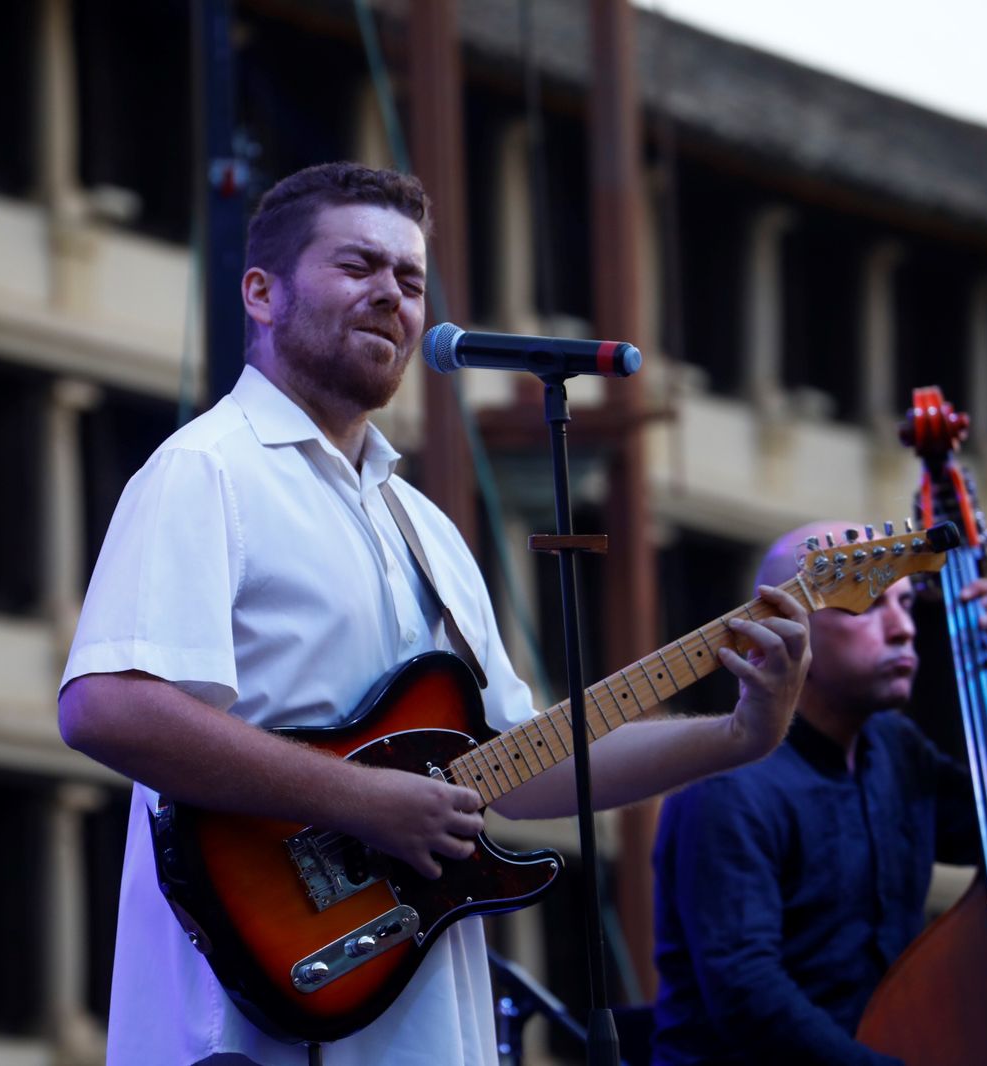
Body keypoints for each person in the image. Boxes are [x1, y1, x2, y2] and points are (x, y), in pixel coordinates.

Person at [57, 162, 813, 1066]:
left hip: (414, 1015)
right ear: (261, 292)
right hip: (252, 1020)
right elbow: (107, 705)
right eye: (359, 267)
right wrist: (363, 801)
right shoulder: (207, 470)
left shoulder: (426, 527)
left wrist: (740, 736)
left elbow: (520, 765)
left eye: (410, 280)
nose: (392, 295)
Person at [649, 522, 987, 1066]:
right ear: (787, 627)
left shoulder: (897, 751)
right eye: (869, 606)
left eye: (907, 602)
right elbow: (751, 1000)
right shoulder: (726, 785)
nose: (904, 629)